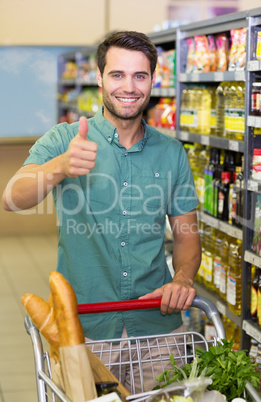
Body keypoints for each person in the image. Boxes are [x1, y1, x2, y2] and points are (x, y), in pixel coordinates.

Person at [2, 31, 201, 389]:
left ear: (153, 80)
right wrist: (61, 166)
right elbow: (12, 197)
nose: (129, 86)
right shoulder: (64, 139)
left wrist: (183, 279)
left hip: (158, 331)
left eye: (140, 76)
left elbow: (187, 235)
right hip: (86, 333)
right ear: (98, 78)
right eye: (117, 74)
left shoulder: (172, 153)